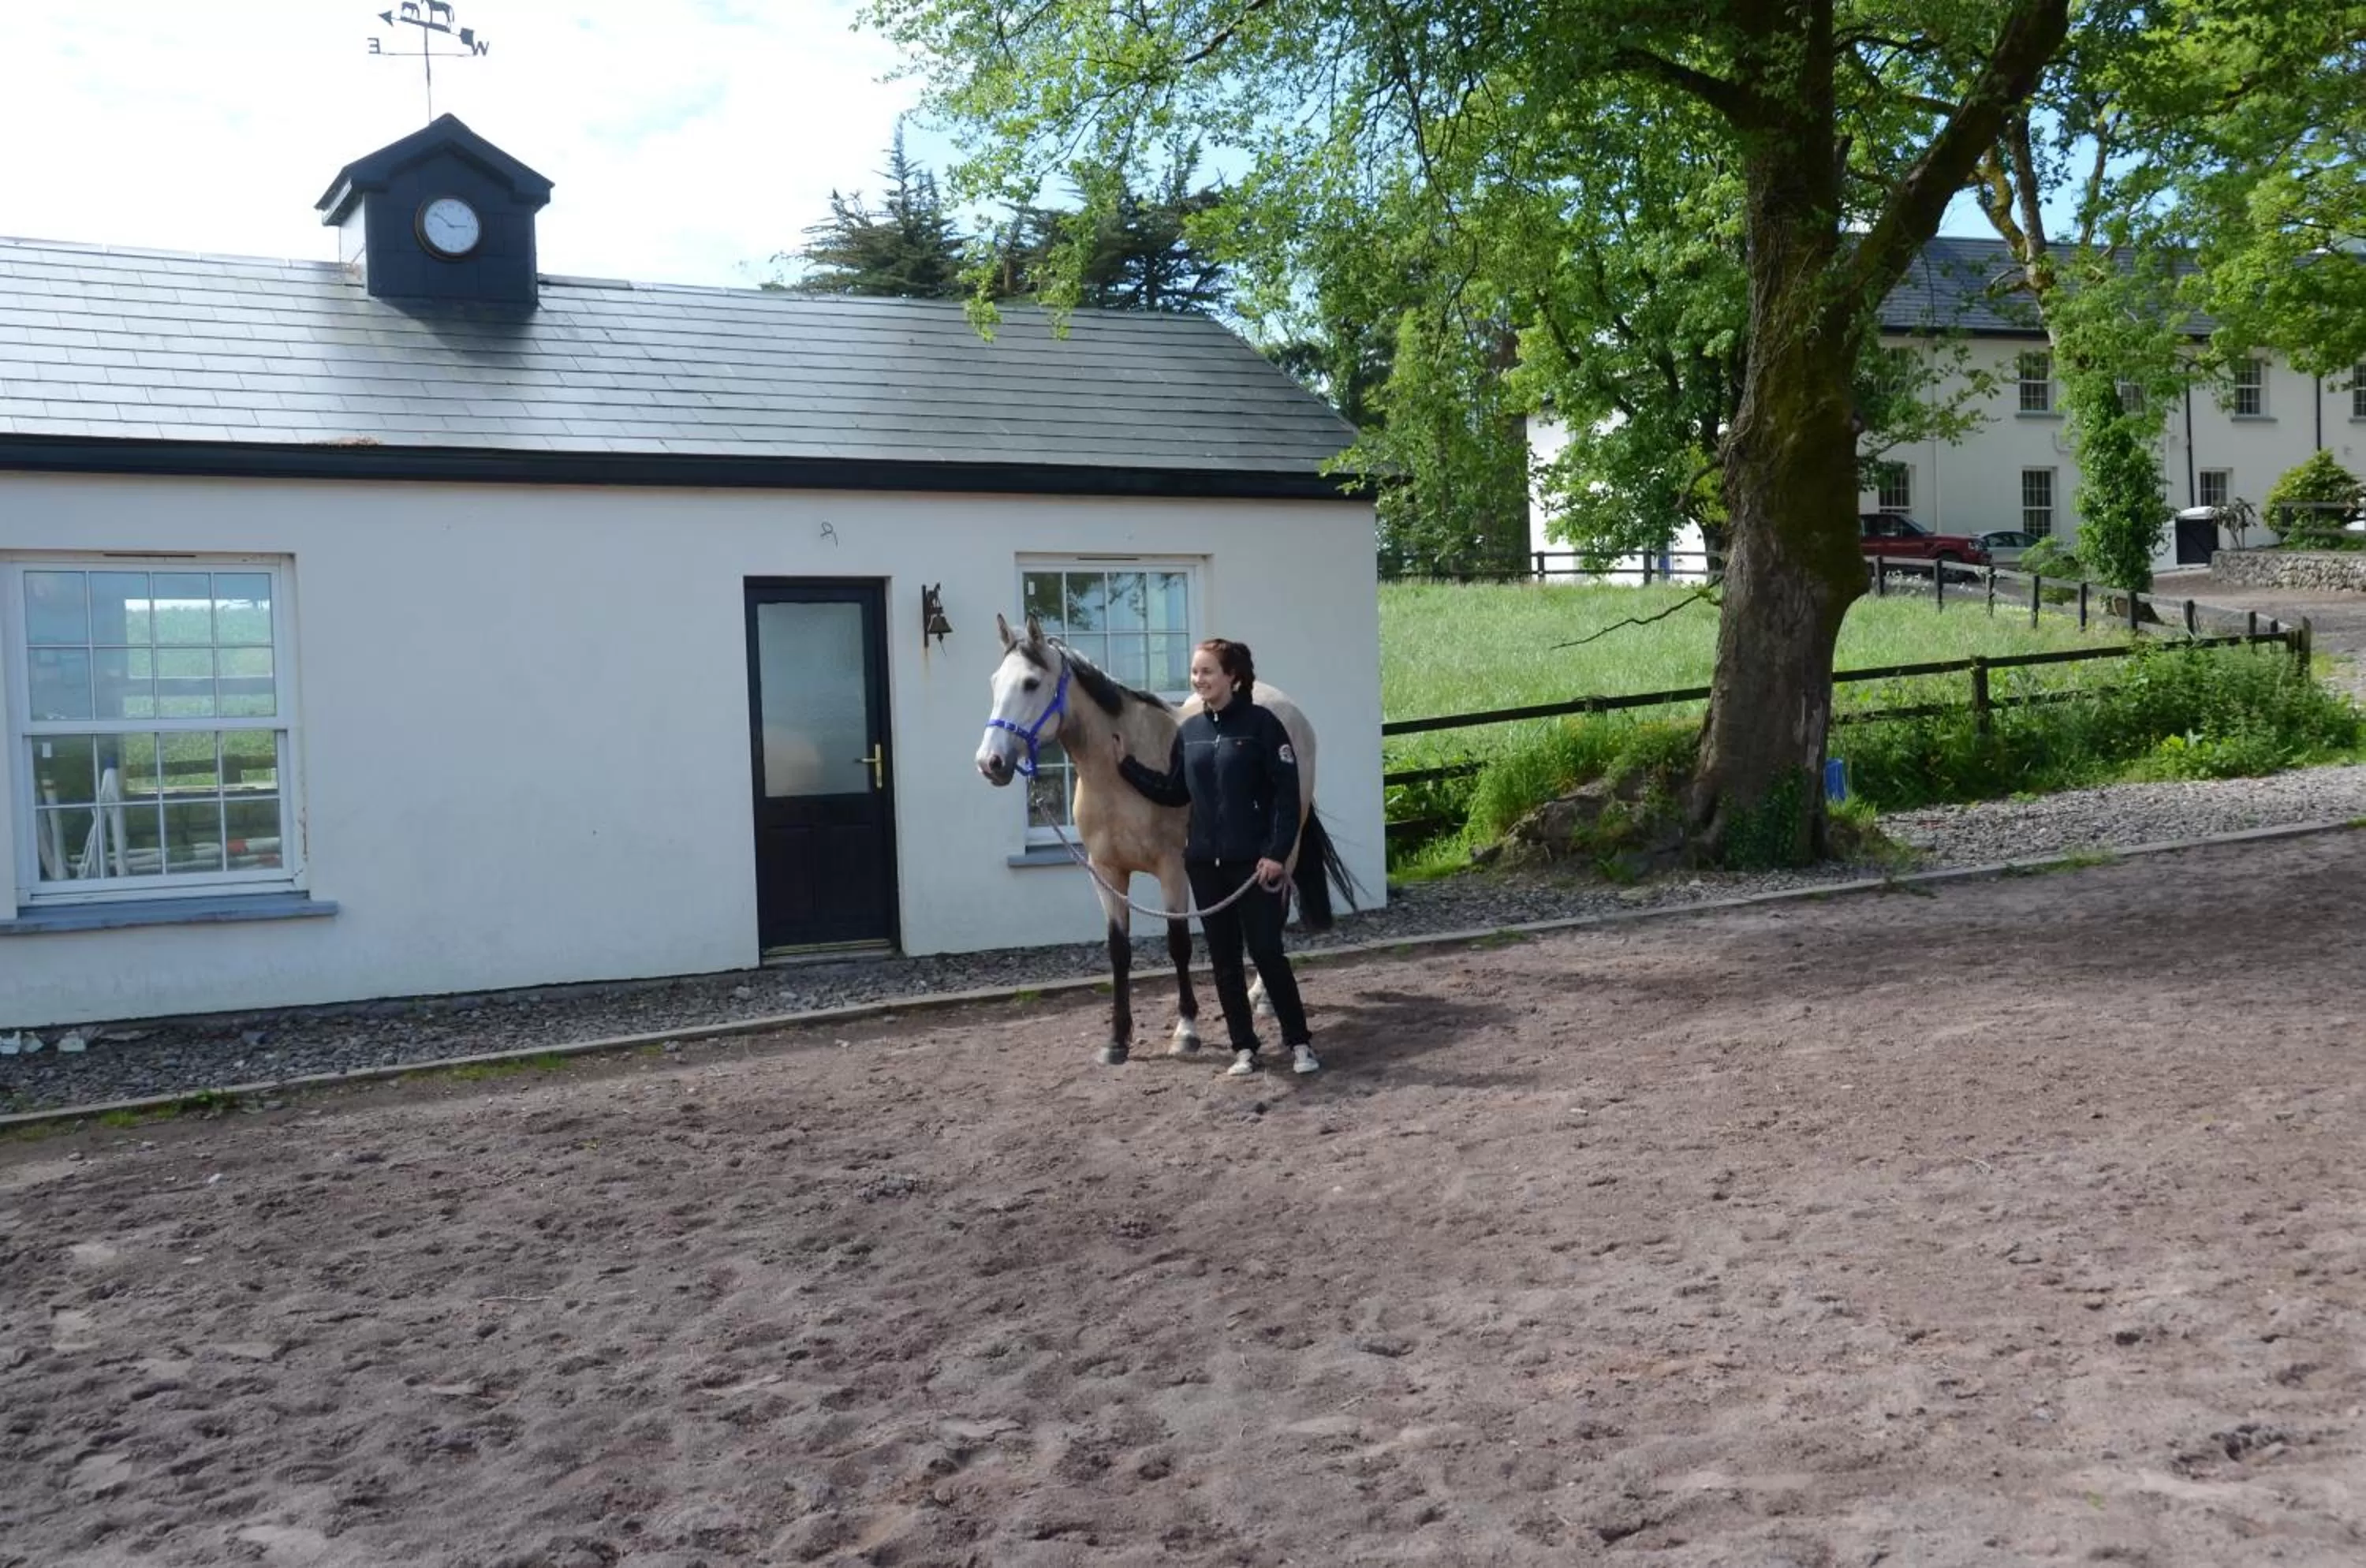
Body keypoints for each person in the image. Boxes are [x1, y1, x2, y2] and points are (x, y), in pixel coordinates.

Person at [1113, 638, 1319, 1077]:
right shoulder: (1190, 734)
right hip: (1206, 865)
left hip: (1255, 866)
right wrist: (1126, 767)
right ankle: (1244, 1048)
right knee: (1224, 961)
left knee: (1267, 953)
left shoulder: (1263, 726)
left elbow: (1287, 798)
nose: (1198, 680)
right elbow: (1174, 792)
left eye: (1207, 672)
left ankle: (1300, 1042)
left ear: (1233, 677)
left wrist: (1277, 854)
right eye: (1195, 672)